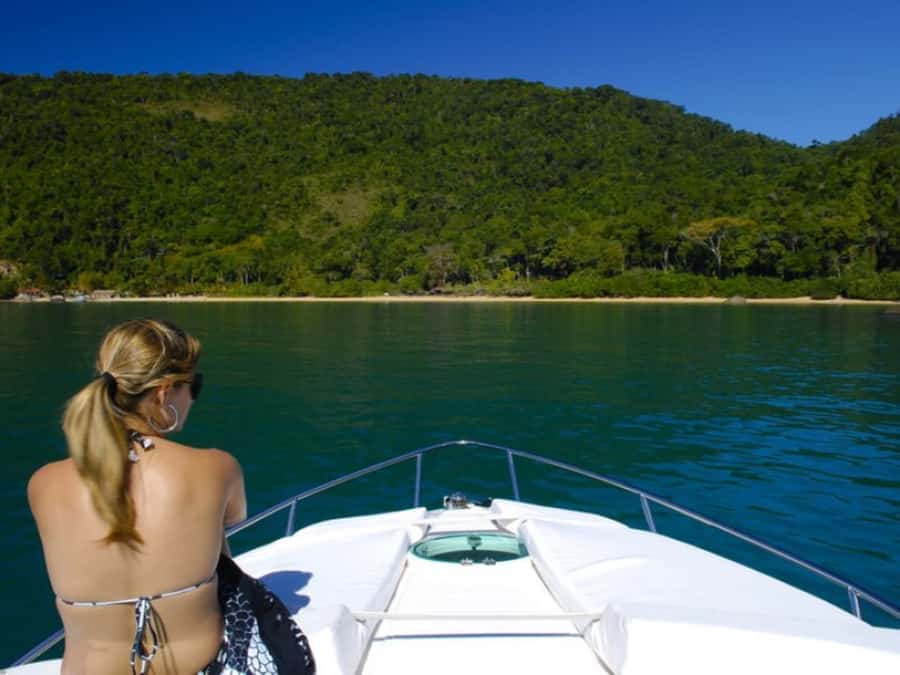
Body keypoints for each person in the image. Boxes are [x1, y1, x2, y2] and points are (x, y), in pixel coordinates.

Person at [28, 319, 247, 675]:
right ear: (163, 393)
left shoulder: (43, 483)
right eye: (195, 386)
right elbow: (232, 519)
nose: (194, 397)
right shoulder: (217, 468)